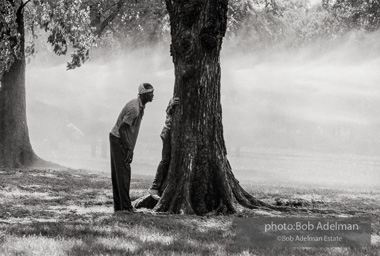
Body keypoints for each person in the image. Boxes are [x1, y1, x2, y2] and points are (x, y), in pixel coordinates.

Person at [109, 83, 154, 212]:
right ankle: (126, 208)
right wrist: (129, 149)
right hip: (119, 140)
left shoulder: (140, 105)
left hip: (117, 139)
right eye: (150, 93)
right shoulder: (134, 108)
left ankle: (119, 207)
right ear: (143, 94)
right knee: (123, 173)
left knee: (119, 173)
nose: (153, 95)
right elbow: (123, 129)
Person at [148, 97, 179, 200]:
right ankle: (154, 187)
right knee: (165, 160)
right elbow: (168, 111)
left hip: (174, 134)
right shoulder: (175, 98)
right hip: (168, 132)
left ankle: (161, 187)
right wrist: (171, 106)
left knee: (171, 160)